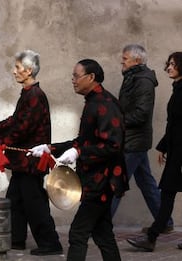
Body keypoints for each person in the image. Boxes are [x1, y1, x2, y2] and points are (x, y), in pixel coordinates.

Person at [30, 59, 128, 261]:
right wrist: (51, 148)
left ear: (91, 77)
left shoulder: (105, 104)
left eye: (76, 76)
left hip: (103, 181)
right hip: (95, 180)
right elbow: (83, 141)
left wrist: (78, 153)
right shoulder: (94, 102)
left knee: (77, 233)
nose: (72, 80)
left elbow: (113, 145)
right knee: (103, 234)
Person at [0, 50, 63, 256]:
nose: (14, 72)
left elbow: (23, 127)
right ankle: (16, 240)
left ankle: (51, 243)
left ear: (29, 70)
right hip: (23, 160)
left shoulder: (35, 95)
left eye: (17, 67)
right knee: (15, 199)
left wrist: (1, 141)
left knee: (34, 202)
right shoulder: (28, 93)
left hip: (31, 160)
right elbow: (15, 121)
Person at [111, 44, 173, 233]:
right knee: (146, 182)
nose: (122, 61)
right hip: (132, 139)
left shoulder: (143, 81)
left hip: (134, 142)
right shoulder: (132, 77)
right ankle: (166, 222)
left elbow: (141, 114)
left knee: (116, 182)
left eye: (125, 58)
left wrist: (116, 122)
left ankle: (101, 224)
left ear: (137, 60)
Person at [127, 52, 182, 252]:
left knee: (167, 194)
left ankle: (151, 237)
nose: (169, 67)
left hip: (180, 155)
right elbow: (174, 125)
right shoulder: (178, 89)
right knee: (166, 194)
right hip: (176, 152)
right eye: (168, 64)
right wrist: (163, 146)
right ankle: (152, 236)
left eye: (173, 64)